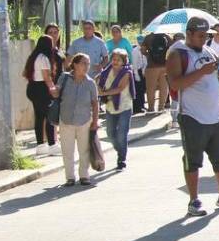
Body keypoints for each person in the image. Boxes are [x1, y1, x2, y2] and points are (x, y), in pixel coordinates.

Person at [166, 16, 219, 216]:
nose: (203, 39)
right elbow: (175, 84)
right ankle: (194, 200)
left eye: (205, 35)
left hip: (216, 115)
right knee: (192, 159)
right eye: (200, 35)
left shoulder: (208, 51)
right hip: (192, 116)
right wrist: (201, 72)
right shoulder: (177, 53)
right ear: (189, 33)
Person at [54, 52, 99, 187]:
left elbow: (95, 104)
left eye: (88, 64)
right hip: (66, 119)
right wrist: (53, 88)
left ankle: (84, 175)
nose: (86, 66)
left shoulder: (90, 83)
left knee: (84, 150)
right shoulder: (64, 78)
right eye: (83, 63)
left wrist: (95, 122)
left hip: (84, 120)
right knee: (67, 150)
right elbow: (57, 91)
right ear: (75, 64)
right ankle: (70, 177)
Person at [96, 48, 135, 171]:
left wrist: (103, 93)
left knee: (122, 134)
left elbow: (120, 88)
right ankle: (120, 150)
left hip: (124, 106)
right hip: (110, 106)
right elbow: (97, 82)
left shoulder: (127, 72)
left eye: (118, 60)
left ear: (124, 61)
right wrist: (98, 87)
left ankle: (121, 159)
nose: (115, 62)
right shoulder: (105, 72)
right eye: (114, 59)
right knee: (110, 133)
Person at [23, 34, 59, 155]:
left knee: (39, 117)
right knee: (49, 116)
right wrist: (53, 89)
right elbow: (46, 77)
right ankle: (52, 145)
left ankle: (40, 145)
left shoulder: (33, 57)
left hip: (32, 87)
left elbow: (25, 73)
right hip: (42, 89)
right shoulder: (43, 58)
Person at [143, 30, 171, 112]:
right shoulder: (167, 37)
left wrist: (149, 55)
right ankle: (161, 108)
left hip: (151, 66)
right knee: (164, 88)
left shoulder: (148, 37)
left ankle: (151, 108)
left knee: (151, 88)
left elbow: (142, 50)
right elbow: (172, 49)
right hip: (165, 66)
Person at [131, 36, 148, 115]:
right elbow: (134, 64)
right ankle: (137, 107)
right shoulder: (135, 51)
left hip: (142, 71)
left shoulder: (144, 50)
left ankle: (142, 105)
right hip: (136, 71)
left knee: (142, 90)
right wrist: (136, 75)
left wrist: (144, 70)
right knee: (137, 90)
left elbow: (145, 61)